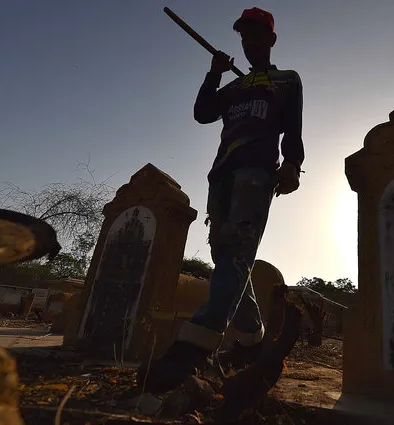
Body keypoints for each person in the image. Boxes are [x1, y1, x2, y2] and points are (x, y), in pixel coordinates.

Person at [138, 7, 304, 393]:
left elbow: (292, 128)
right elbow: (201, 114)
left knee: (236, 252)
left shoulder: (285, 80)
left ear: (271, 39)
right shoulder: (233, 87)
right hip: (222, 176)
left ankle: (190, 349)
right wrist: (214, 72)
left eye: (257, 35)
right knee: (225, 257)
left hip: (257, 174)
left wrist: (293, 164)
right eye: (244, 36)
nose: (249, 42)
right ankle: (252, 341)